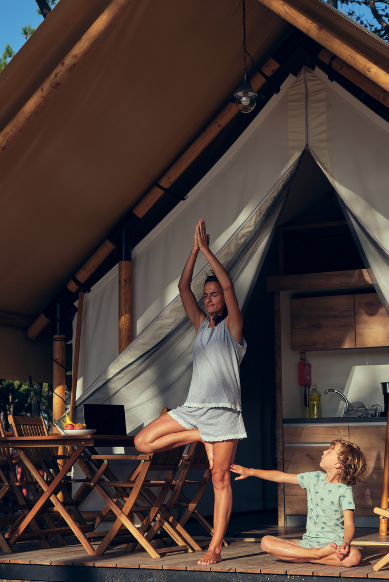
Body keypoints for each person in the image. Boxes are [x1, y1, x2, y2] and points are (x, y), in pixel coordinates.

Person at [133, 219, 246, 565]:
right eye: (206, 296)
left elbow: (228, 286)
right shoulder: (200, 327)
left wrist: (209, 251)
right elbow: (183, 288)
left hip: (224, 413)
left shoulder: (233, 329)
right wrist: (194, 251)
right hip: (194, 410)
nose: (209, 298)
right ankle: (199, 436)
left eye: (213, 296)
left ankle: (214, 546)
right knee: (142, 442)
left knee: (220, 478)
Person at [230, 440, 367, 568]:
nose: (324, 452)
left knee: (354, 556)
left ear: (338, 464)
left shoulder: (345, 490)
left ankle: (300, 555)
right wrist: (250, 471)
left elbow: (349, 524)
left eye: (330, 451)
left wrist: (346, 544)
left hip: (333, 545)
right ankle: (315, 555)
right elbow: (280, 476)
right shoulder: (313, 478)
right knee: (266, 542)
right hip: (309, 544)